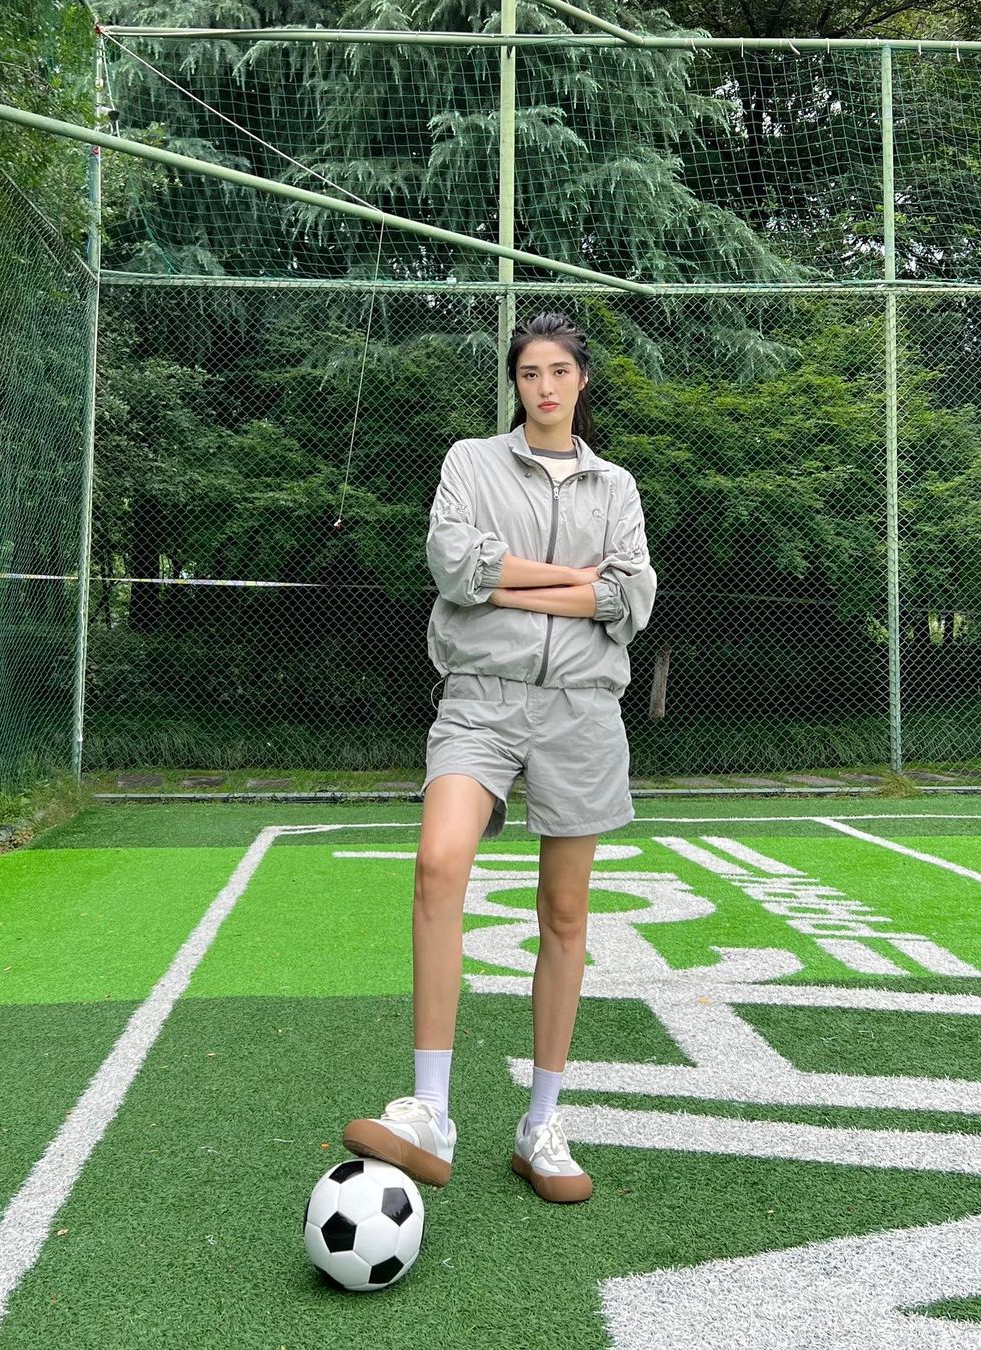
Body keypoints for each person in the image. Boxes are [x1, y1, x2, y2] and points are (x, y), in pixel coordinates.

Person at [341, 311, 656, 1204]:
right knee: (438, 864)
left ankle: (541, 1125)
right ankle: (431, 1113)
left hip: (582, 710)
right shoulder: (470, 462)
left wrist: (514, 581)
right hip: (479, 699)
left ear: (581, 381)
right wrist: (576, 583)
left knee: (565, 914)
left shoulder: (615, 486)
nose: (544, 387)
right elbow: (456, 567)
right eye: (529, 373)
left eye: (559, 371)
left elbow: (631, 596)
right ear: (515, 384)